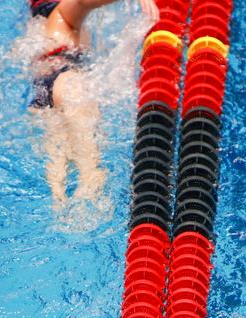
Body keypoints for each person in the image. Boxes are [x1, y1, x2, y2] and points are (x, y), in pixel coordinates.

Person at [25, 0, 159, 207]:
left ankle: (63, 218)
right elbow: (81, 2)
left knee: (57, 187)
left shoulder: (39, 28)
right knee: (91, 175)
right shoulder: (61, 16)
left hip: (42, 99)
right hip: (69, 85)